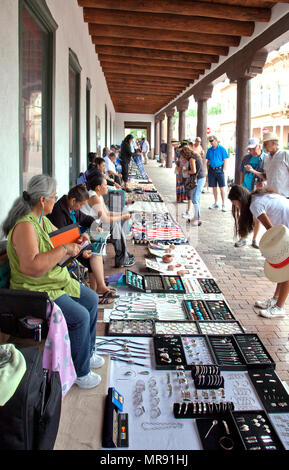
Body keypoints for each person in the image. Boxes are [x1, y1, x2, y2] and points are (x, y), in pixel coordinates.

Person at [2, 175, 103, 389]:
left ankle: (87, 351)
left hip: (54, 281)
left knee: (92, 299)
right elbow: (32, 267)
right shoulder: (25, 227)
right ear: (42, 200)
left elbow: (58, 245)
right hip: (35, 289)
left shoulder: (42, 220)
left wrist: (77, 243)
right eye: (54, 197)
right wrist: (64, 249)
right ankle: (80, 371)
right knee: (80, 316)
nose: (56, 201)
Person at [47, 184, 118, 304]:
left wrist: (96, 227)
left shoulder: (73, 209)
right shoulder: (59, 212)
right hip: (65, 249)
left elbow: (87, 219)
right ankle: (97, 291)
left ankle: (97, 291)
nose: (81, 207)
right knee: (93, 255)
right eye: (81, 205)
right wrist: (81, 249)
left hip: (76, 243)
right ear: (73, 200)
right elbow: (62, 240)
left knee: (96, 251)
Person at [228, 184, 289, 319]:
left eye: (235, 204)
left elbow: (272, 232)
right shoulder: (256, 197)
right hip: (285, 228)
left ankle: (279, 307)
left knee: (287, 271)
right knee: (284, 269)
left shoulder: (254, 205)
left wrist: (271, 249)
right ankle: (275, 300)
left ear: (240, 200)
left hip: (285, 230)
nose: (236, 207)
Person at [83, 172, 135, 268]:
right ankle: (122, 258)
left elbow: (107, 213)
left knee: (115, 223)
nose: (107, 187)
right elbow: (105, 219)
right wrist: (122, 217)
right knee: (114, 224)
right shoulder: (94, 197)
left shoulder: (98, 195)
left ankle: (123, 255)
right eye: (105, 185)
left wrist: (122, 214)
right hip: (87, 228)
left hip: (94, 224)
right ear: (98, 187)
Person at [234, 138, 267, 249]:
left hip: (257, 191)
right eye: (249, 149)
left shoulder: (265, 159)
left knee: (256, 216)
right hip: (246, 190)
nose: (251, 151)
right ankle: (243, 237)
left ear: (259, 146)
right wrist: (241, 186)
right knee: (243, 215)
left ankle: (255, 239)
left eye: (253, 149)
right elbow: (242, 173)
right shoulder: (246, 158)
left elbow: (266, 176)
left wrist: (264, 184)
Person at [245, 132, 289, 198]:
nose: (264, 147)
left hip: (284, 196)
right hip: (271, 196)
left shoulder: (285, 154)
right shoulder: (267, 158)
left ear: (273, 143)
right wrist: (252, 170)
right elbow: (266, 176)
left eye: (265, 144)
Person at [181, 146, 206, 226]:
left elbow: (193, 171)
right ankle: (196, 217)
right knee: (196, 198)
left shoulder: (192, 159)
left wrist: (186, 171)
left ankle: (197, 218)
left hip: (199, 179)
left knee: (195, 198)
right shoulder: (195, 156)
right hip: (200, 178)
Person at [206, 135, 229, 211]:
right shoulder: (209, 150)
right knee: (214, 187)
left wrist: (224, 169)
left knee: (222, 188)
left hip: (220, 170)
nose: (211, 142)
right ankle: (216, 202)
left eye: (211, 141)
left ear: (216, 140)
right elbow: (208, 160)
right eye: (209, 141)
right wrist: (207, 169)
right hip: (211, 170)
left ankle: (223, 204)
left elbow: (225, 159)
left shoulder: (221, 149)